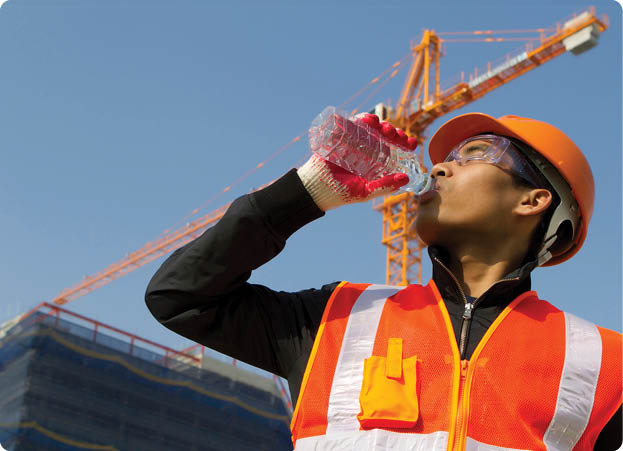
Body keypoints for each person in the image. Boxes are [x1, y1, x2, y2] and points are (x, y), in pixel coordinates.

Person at [145, 112, 622, 450]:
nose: (439, 167)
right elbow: (180, 297)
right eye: (446, 156)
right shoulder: (335, 317)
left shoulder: (606, 363)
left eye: (475, 154)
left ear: (533, 201)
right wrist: (305, 193)